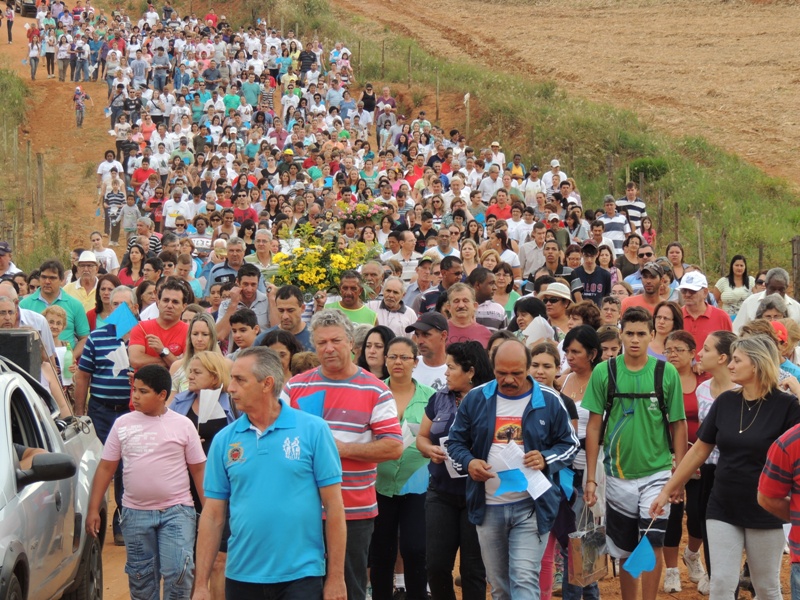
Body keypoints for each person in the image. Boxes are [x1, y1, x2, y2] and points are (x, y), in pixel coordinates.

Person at [651, 335, 800, 599]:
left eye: (736, 360)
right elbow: (698, 450)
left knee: (766, 587)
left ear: (756, 364)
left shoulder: (787, 405)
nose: (730, 365)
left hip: (766, 508)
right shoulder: (726, 401)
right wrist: (667, 491)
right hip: (722, 504)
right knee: (720, 583)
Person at [194, 347, 347, 600]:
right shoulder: (224, 440)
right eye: (231, 378)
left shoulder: (314, 430)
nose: (230, 387)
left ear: (267, 384)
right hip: (241, 576)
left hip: (302, 576)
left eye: (239, 380)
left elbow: (334, 507)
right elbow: (212, 515)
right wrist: (201, 584)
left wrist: (336, 577)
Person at [282, 309, 403, 600]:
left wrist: (342, 449)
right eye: (321, 342)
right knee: (300, 588)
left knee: (346, 588)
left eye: (336, 340)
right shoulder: (295, 387)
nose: (329, 348)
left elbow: (393, 446)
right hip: (301, 508)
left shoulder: (376, 390)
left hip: (353, 510)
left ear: (351, 343)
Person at [446, 339, 579, 600]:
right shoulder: (476, 398)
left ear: (528, 368)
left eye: (516, 373)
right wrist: (470, 462)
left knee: (524, 578)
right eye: (501, 373)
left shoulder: (549, 400)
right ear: (493, 368)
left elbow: (570, 443)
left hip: (532, 505)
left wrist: (546, 458)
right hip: (488, 505)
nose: (508, 379)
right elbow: (455, 442)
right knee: (499, 587)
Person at [583, 307, 687, 600]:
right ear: (621, 334)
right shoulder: (605, 371)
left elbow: (678, 425)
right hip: (617, 475)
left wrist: (677, 478)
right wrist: (592, 478)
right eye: (629, 333)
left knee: (652, 542)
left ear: (652, 335)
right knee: (626, 548)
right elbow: (593, 427)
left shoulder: (665, 373)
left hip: (657, 473)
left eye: (642, 333)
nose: (635, 339)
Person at [86, 365, 206, 599]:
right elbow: (106, 468)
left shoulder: (183, 425)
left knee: (179, 573)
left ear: (162, 395)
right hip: (135, 513)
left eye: (143, 391)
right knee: (141, 578)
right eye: (134, 390)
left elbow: (199, 470)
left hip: (177, 511)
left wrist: (209, 512)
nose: (135, 396)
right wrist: (93, 509)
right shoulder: (123, 424)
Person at [416, 341, 493, 600]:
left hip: (478, 493)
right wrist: (429, 450)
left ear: (470, 371)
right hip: (441, 492)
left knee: (473, 569)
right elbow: (422, 437)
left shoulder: (493, 400)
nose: (445, 373)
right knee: (436, 565)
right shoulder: (439, 398)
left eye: (451, 367)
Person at [370, 337, 436, 600]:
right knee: (380, 551)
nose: (398, 362)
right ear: (385, 360)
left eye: (404, 357)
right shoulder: (373, 393)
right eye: (393, 357)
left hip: (417, 484)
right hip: (379, 484)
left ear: (415, 362)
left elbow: (439, 435)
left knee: (415, 549)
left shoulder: (431, 397)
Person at [661, 331, 706, 593]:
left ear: (693, 353)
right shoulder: (660, 378)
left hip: (701, 454)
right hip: (668, 456)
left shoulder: (704, 378)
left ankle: (691, 554)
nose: (673, 354)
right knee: (672, 514)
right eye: (668, 349)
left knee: (699, 514)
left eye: (679, 349)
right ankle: (671, 570)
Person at [694, 330, 738, 590]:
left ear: (723, 357)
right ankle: (716, 579)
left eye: (707, 349)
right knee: (707, 525)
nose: (700, 353)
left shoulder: (743, 391)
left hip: (736, 471)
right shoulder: (701, 390)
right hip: (707, 471)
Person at [129, 279, 190, 371]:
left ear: (184, 306)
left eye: (175, 302)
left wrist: (163, 351)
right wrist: (173, 360)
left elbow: (186, 368)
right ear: (158, 302)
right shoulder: (140, 327)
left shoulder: (190, 331)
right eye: (166, 300)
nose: (169, 305)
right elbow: (135, 361)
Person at [169, 313, 222, 397]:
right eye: (195, 334)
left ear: (212, 336)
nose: (199, 339)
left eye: (205, 334)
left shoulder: (224, 365)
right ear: (190, 336)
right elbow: (170, 403)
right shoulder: (177, 367)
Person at [680, 272, 732, 352]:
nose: (687, 294)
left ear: (705, 292)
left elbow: (730, 348)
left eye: (692, 291)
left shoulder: (721, 317)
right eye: (684, 290)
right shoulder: (675, 315)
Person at [408, 312, 450, 391]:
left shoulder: (455, 370)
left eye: (426, 334)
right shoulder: (409, 365)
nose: (420, 341)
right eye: (417, 335)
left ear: (443, 335)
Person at [445, 283, 492, 348]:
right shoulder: (440, 332)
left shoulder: (486, 334)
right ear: (449, 307)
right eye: (456, 301)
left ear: (475, 306)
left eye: (465, 301)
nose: (461, 305)